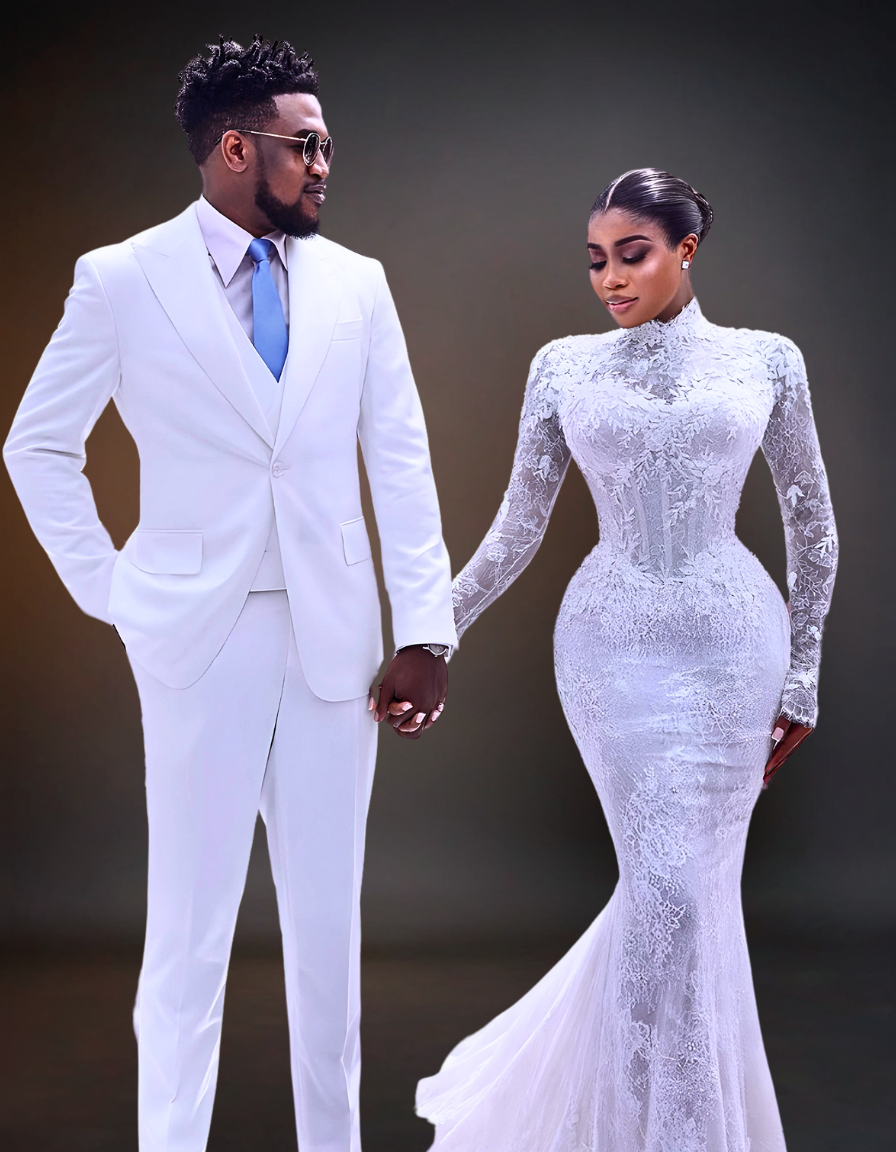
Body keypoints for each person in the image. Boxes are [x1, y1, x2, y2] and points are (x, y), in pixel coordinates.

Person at [4, 35, 455, 1152]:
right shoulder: (122, 278)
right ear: (234, 149)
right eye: (307, 146)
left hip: (337, 643)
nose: (324, 165)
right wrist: (117, 590)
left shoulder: (359, 283)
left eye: (327, 146)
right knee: (189, 932)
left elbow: (397, 461)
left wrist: (426, 630)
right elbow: (38, 445)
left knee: (326, 931)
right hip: (192, 638)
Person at [416, 168, 837, 1151]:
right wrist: (432, 630)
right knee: (663, 893)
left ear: (684, 249)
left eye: (631, 254)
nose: (608, 278)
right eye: (596, 260)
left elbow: (810, 523)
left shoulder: (764, 360)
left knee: (690, 905)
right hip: (610, 649)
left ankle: (666, 1129)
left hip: (734, 647)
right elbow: (515, 529)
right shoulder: (562, 367)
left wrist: (804, 668)